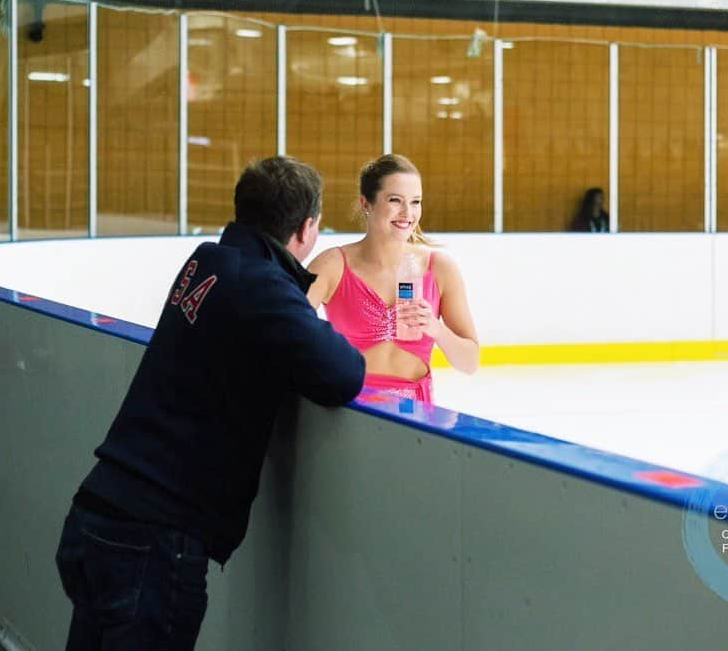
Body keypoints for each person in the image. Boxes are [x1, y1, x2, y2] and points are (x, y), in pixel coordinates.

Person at [54, 156, 365, 650]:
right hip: (152, 540)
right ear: (307, 229)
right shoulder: (262, 287)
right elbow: (344, 372)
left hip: (98, 516)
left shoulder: (208, 259)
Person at [306, 154, 478, 403]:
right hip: (352, 406)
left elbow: (470, 363)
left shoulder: (440, 268)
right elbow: (287, 329)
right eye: (395, 200)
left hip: (416, 412)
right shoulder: (333, 265)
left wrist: (435, 328)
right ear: (366, 204)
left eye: (415, 201)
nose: (408, 213)